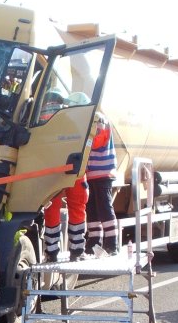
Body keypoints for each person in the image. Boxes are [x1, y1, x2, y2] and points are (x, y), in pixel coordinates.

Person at [40, 93, 88, 262]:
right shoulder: (71, 120)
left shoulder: (42, 119)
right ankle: (77, 250)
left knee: (51, 209)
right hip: (74, 170)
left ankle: (51, 252)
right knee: (77, 207)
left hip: (52, 170)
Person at [85, 112, 119, 256]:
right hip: (92, 173)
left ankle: (112, 244)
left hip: (103, 172)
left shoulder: (99, 119)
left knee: (104, 208)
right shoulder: (92, 119)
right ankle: (94, 242)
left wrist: (84, 138)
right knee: (92, 209)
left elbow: (97, 141)